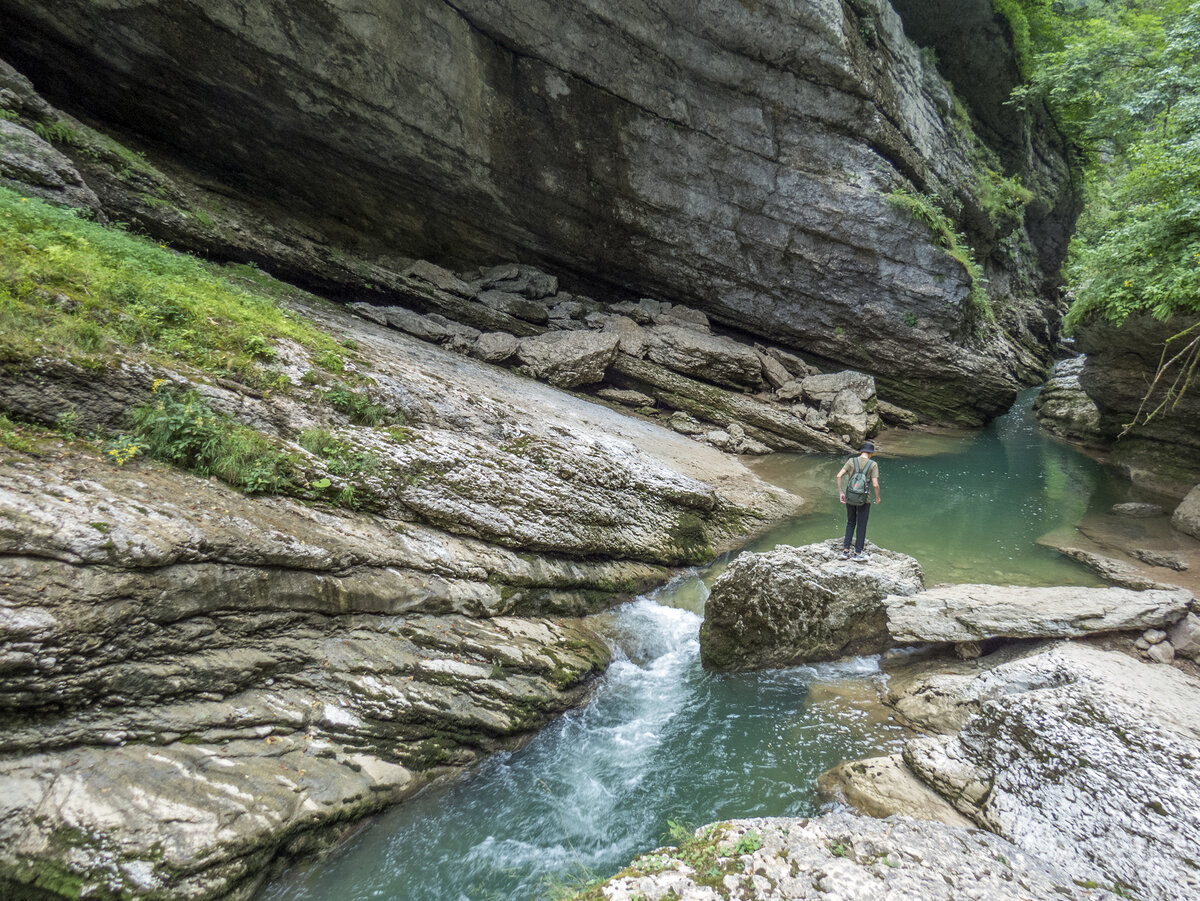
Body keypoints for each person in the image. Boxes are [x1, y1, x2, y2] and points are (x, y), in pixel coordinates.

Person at [836, 441, 880, 561]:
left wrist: (841, 493)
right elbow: (875, 484)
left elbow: (839, 476)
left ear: (861, 451)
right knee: (861, 524)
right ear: (870, 453)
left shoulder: (851, 461)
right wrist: (877, 497)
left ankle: (845, 551)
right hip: (864, 499)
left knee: (850, 522)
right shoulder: (873, 464)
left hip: (850, 497)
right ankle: (858, 553)